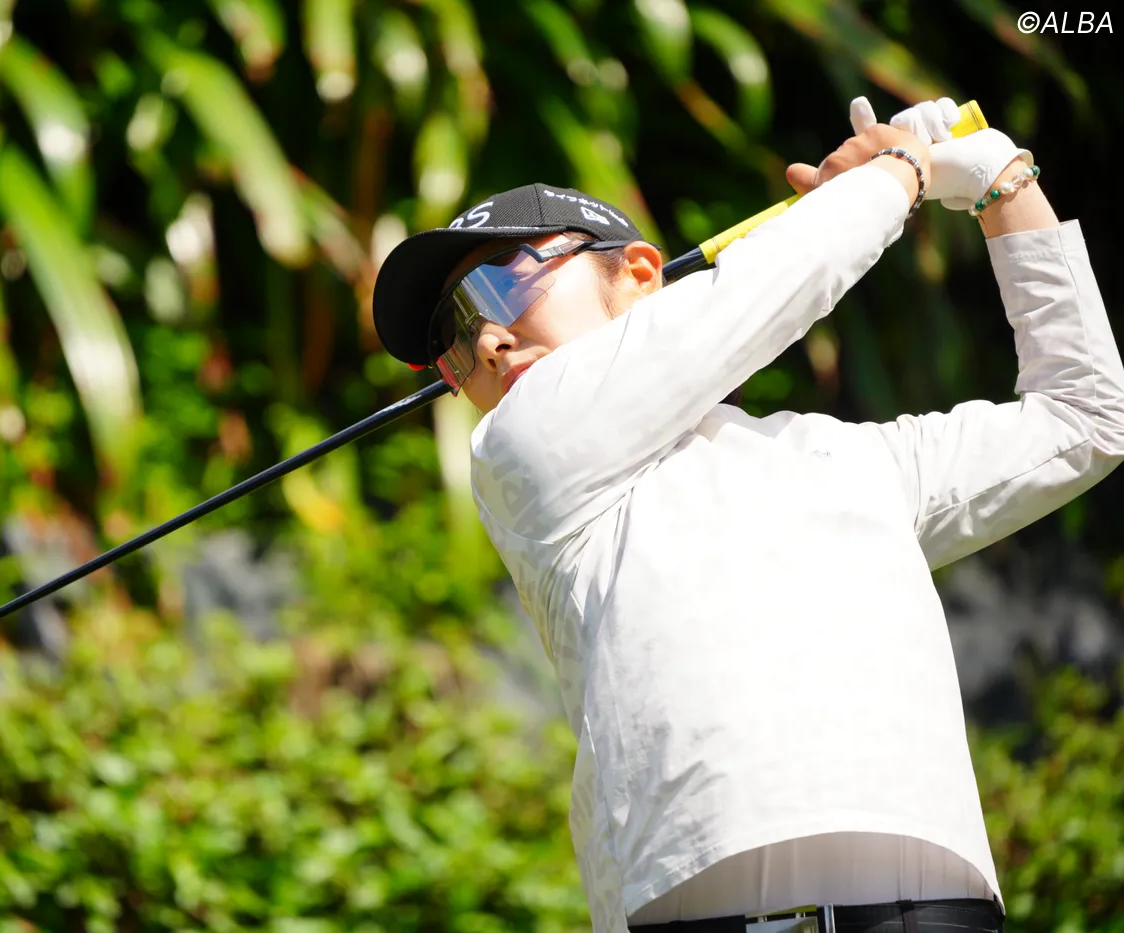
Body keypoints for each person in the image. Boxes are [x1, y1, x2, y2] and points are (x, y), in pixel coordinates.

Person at [370, 95, 1124, 933]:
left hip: (935, 913)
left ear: (641, 273)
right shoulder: (519, 448)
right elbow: (757, 293)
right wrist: (896, 172)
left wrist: (1002, 183)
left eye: (499, 285)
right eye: (454, 332)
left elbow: (1084, 419)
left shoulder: (856, 461)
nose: (485, 340)